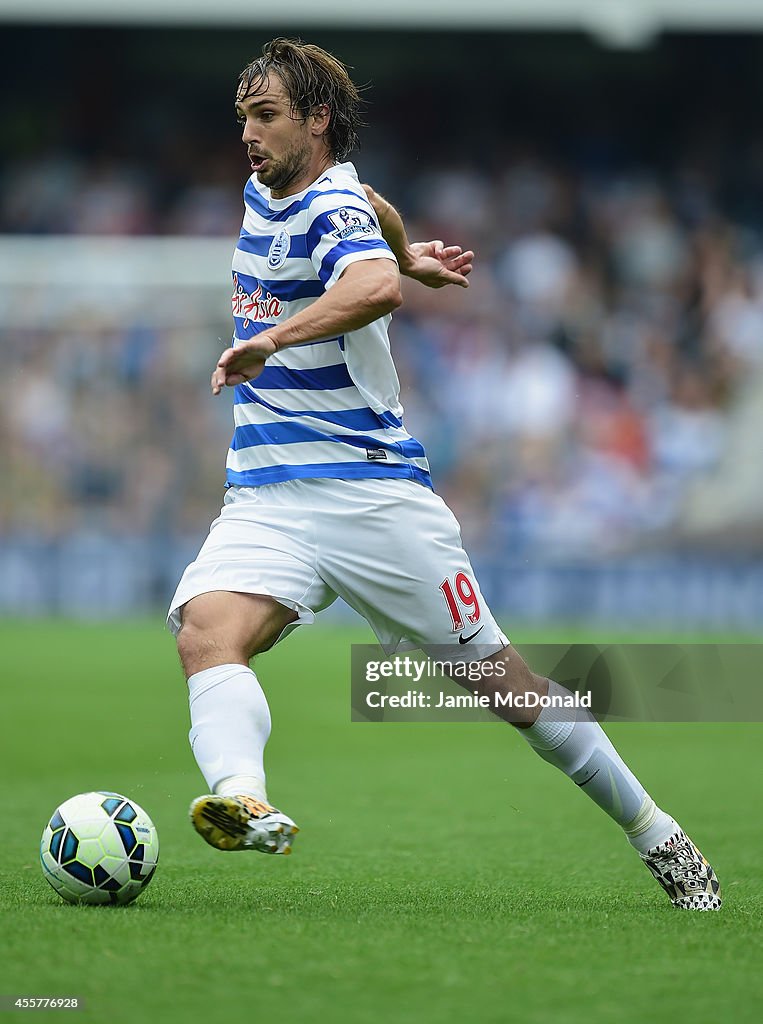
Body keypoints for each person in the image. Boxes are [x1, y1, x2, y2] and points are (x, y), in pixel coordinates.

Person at [167, 38, 721, 911]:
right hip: (269, 496)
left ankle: (656, 831)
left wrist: (277, 334)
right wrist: (410, 249)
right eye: (243, 116)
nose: (247, 133)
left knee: (511, 693)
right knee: (206, 631)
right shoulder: (276, 187)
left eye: (265, 115)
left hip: (372, 497)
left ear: (316, 119)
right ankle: (244, 796)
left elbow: (374, 290)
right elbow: (378, 218)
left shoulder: (329, 207)